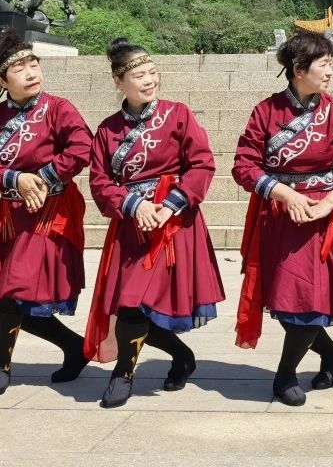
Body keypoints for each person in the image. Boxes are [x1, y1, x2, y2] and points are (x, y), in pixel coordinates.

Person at [232, 32, 333, 406]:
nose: (330, 72)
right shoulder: (266, 111)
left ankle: (284, 375)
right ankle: (332, 357)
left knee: (307, 302)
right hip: (280, 217)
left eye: (330, 64)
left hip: (324, 220)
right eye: (324, 64)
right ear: (298, 69)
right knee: (286, 300)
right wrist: (285, 193)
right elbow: (244, 166)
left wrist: (330, 202)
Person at [84, 38, 226, 409]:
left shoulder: (178, 114)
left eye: (152, 72)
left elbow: (202, 164)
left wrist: (170, 204)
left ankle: (126, 372)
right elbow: (100, 182)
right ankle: (168, 359)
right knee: (132, 303)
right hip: (133, 227)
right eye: (139, 75)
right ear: (119, 82)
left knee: (149, 304)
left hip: (174, 225)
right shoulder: (108, 130)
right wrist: (133, 204)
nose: (149, 80)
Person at [0, 29, 92, 398]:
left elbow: (81, 147)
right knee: (17, 294)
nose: (31, 72)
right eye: (19, 69)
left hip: (50, 212)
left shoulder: (59, 108)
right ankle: (74, 346)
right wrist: (13, 178)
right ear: (2, 80)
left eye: (33, 64)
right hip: (10, 216)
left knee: (12, 289)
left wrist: (41, 178)